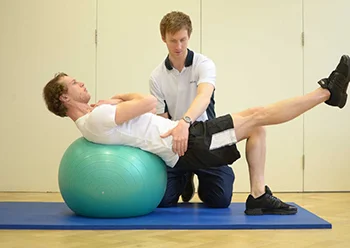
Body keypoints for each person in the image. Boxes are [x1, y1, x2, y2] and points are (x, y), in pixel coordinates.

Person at [42, 54, 349, 215]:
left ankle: (257, 196)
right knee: (258, 115)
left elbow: (152, 112)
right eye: (73, 83)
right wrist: (119, 97)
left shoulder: (92, 122)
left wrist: (118, 103)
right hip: (188, 143)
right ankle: (326, 92)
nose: (81, 83)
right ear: (64, 99)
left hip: (184, 140)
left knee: (257, 124)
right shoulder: (97, 117)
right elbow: (151, 102)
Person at [149, 11, 237, 208]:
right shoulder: (156, 77)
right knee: (162, 200)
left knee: (220, 200)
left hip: (205, 137)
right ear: (163, 38)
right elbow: (161, 119)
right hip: (177, 142)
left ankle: (207, 178)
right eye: (173, 41)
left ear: (189, 35)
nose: (178, 46)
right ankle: (185, 176)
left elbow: (204, 96)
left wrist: (185, 123)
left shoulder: (204, 64)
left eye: (183, 40)